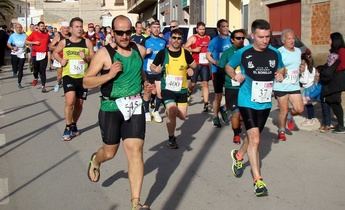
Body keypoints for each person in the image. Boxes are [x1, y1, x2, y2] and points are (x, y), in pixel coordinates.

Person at [83, 15, 150, 210]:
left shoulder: (140, 50)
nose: (124, 36)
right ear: (112, 33)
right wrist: (110, 74)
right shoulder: (104, 54)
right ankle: (96, 159)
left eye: (128, 32)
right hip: (111, 107)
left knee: (135, 151)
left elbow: (139, 72)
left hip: (135, 106)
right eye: (120, 32)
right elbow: (87, 81)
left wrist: (145, 84)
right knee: (110, 152)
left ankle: (135, 203)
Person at [225, 19, 285, 196]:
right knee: (256, 139)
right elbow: (228, 66)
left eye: (268, 36)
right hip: (246, 100)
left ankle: (238, 156)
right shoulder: (244, 52)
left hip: (265, 101)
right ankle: (258, 180)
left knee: (252, 138)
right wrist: (235, 75)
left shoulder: (275, 53)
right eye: (261, 37)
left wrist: (281, 74)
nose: (265, 40)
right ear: (252, 36)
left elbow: (282, 69)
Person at [151, 28, 197, 149]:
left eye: (179, 38)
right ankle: (171, 137)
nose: (176, 40)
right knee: (172, 111)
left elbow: (194, 65)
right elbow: (152, 66)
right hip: (168, 89)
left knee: (182, 116)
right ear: (170, 39)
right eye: (174, 38)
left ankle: (171, 111)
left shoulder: (185, 53)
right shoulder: (163, 53)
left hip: (182, 89)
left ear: (182, 40)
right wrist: (155, 69)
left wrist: (190, 69)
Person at [53, 17, 94, 141]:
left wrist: (86, 57)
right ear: (70, 29)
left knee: (79, 104)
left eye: (81, 26)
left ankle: (74, 124)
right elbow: (55, 52)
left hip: (83, 77)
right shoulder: (65, 42)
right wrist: (61, 60)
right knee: (70, 101)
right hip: (68, 75)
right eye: (77, 26)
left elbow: (93, 57)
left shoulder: (87, 42)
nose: (80, 29)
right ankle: (67, 126)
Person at [273, 29, 304, 141]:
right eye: (289, 38)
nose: (292, 41)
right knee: (283, 110)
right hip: (281, 85)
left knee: (299, 109)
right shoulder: (279, 52)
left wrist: (302, 68)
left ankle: (290, 116)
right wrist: (279, 72)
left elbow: (298, 65)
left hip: (294, 85)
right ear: (283, 41)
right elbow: (274, 67)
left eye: (293, 38)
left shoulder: (298, 51)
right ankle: (281, 130)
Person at [218, 29, 246, 144]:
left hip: (245, 87)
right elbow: (221, 68)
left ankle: (224, 108)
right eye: (238, 38)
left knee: (244, 113)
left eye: (242, 38)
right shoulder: (227, 53)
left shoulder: (247, 52)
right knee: (236, 112)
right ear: (232, 40)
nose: (241, 40)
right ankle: (236, 134)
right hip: (232, 87)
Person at [206, 19, 231, 127]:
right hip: (218, 71)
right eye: (223, 26)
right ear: (218, 29)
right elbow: (208, 55)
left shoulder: (231, 40)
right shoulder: (214, 41)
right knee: (218, 95)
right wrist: (216, 62)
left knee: (231, 95)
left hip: (230, 71)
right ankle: (215, 117)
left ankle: (223, 108)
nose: (226, 28)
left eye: (227, 26)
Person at [142, 20, 166, 123]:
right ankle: (147, 112)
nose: (156, 29)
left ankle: (156, 111)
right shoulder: (145, 41)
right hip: (147, 71)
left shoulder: (163, 41)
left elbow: (166, 55)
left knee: (160, 93)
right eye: (154, 27)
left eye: (158, 27)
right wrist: (145, 52)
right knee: (147, 92)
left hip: (159, 71)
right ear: (150, 29)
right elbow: (138, 55)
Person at [184, 21, 211, 112]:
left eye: (203, 29)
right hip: (195, 64)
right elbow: (184, 48)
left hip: (205, 64)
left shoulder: (208, 38)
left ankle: (206, 104)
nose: (202, 31)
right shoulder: (193, 38)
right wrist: (193, 50)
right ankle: (188, 92)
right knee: (193, 84)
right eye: (200, 29)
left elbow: (210, 48)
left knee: (205, 83)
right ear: (197, 29)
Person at [321, 32, 345, 133]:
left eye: (330, 39)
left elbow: (342, 65)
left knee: (335, 101)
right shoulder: (334, 51)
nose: (328, 41)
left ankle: (341, 126)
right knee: (331, 100)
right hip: (333, 80)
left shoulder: (342, 51)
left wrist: (331, 69)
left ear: (335, 40)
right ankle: (338, 124)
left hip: (337, 80)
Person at [26, 21, 50, 92]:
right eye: (41, 26)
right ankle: (36, 78)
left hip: (44, 54)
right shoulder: (34, 33)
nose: (42, 27)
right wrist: (34, 42)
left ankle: (43, 86)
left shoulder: (47, 35)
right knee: (35, 69)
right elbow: (26, 41)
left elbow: (49, 43)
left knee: (43, 71)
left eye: (43, 26)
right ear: (38, 27)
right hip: (35, 54)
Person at [299, 50, 320, 126]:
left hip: (307, 89)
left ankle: (310, 119)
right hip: (311, 87)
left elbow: (304, 80)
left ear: (304, 60)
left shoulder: (306, 69)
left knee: (308, 105)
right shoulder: (313, 68)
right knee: (309, 104)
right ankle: (312, 118)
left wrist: (300, 76)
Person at [50, 21, 70, 92]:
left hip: (69, 58)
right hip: (60, 58)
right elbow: (51, 46)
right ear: (61, 28)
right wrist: (60, 48)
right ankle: (58, 83)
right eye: (65, 28)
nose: (66, 29)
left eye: (68, 28)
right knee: (59, 75)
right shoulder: (58, 35)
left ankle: (68, 89)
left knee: (69, 75)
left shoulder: (71, 35)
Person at [7, 23, 27, 88]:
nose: (19, 29)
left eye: (20, 27)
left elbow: (28, 42)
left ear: (21, 28)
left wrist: (28, 46)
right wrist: (12, 48)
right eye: (17, 27)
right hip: (14, 53)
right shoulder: (12, 36)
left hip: (22, 53)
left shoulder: (25, 35)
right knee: (15, 67)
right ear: (15, 29)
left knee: (21, 68)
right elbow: (8, 44)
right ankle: (15, 70)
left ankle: (19, 82)